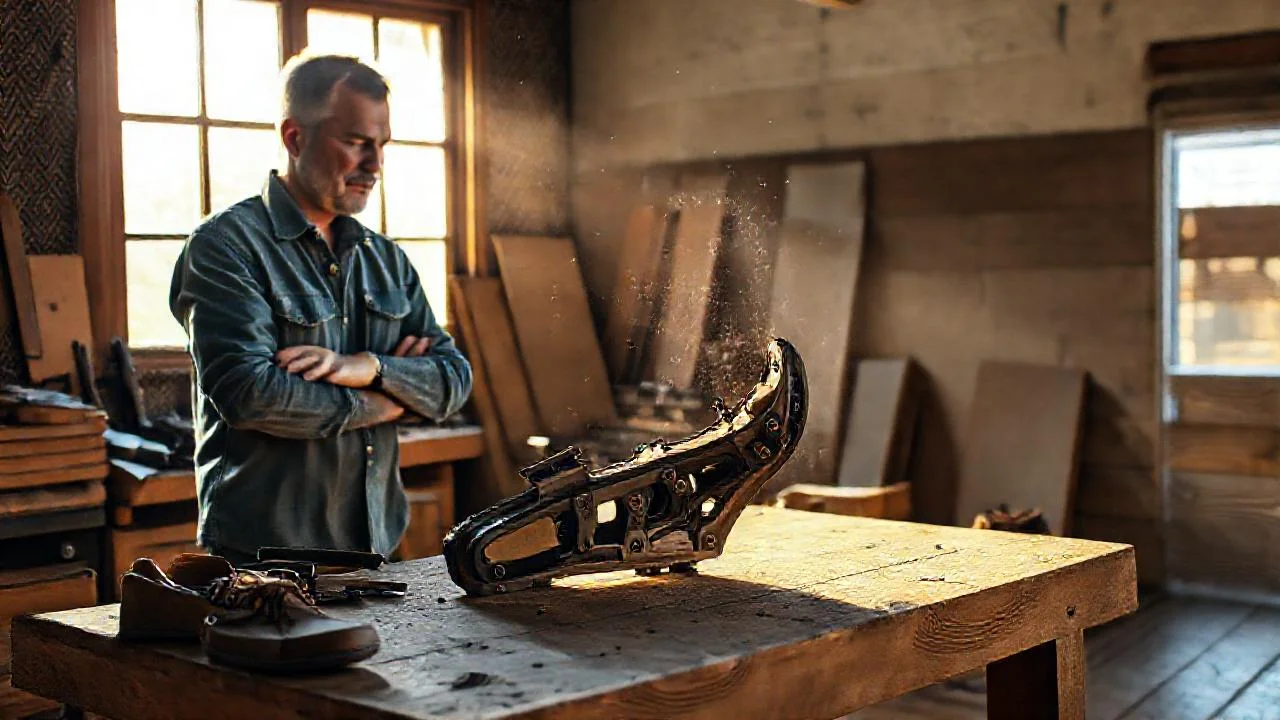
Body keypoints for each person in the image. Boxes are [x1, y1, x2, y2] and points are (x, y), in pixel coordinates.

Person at [169, 53, 473, 566]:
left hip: (378, 549)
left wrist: (371, 368)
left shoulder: (387, 260)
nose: (374, 165)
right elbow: (250, 394)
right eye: (356, 142)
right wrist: (385, 402)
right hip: (263, 559)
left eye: (381, 145)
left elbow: (453, 381)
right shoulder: (224, 247)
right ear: (294, 137)